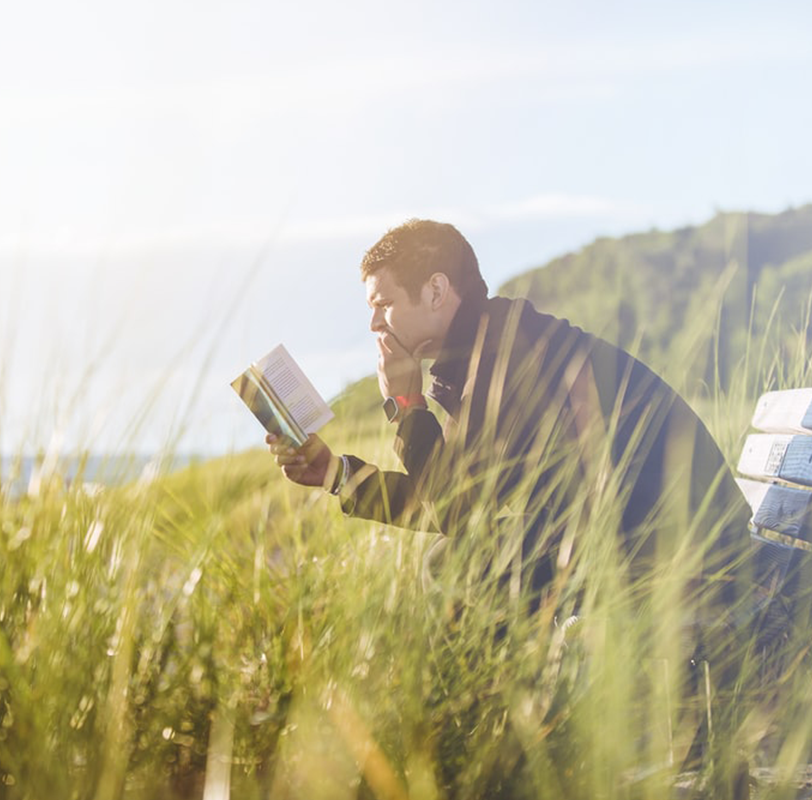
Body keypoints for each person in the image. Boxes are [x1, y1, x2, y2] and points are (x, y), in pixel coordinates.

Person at [267, 219, 760, 787]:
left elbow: (452, 510)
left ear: (435, 290)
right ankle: (508, 755)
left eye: (383, 304)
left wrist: (404, 403)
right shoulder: (484, 350)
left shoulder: (505, 356)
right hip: (638, 536)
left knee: (457, 570)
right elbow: (457, 501)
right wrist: (334, 472)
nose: (374, 322)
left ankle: (507, 762)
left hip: (685, 552)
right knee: (462, 566)